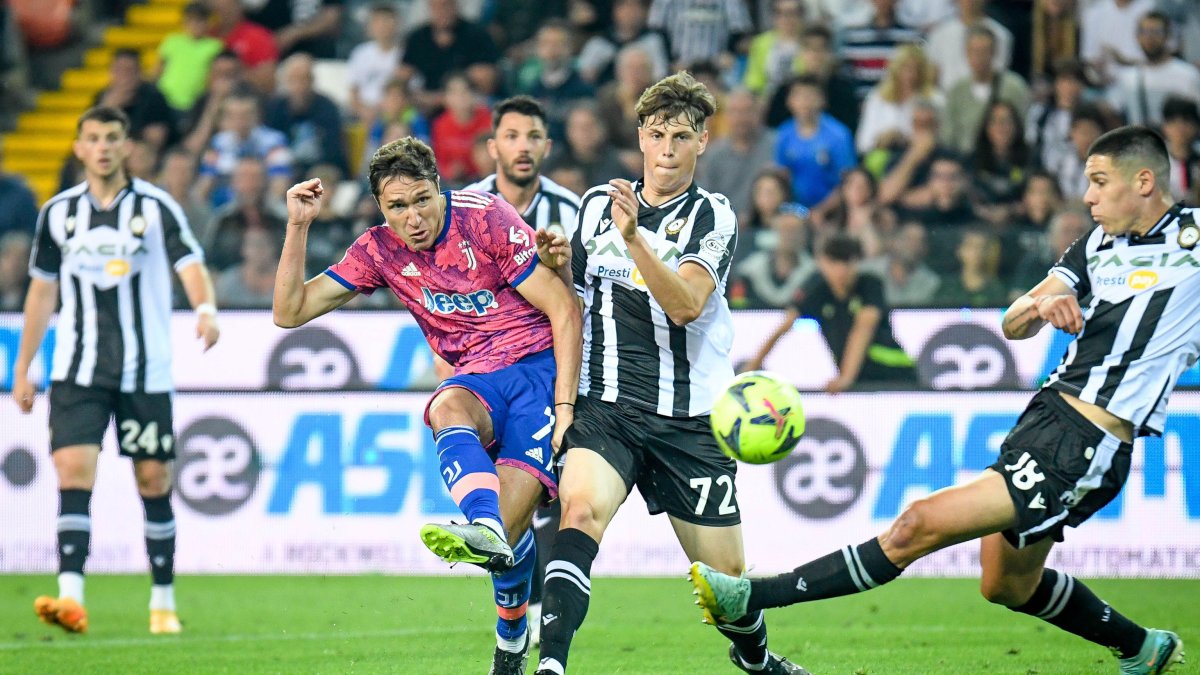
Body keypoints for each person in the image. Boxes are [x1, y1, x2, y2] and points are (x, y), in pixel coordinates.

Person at [692, 125, 1192, 675]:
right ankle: (1144, 647)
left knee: (916, 525)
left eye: (1099, 182)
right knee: (1005, 583)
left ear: (1144, 181)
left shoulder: (1193, 241)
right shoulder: (1096, 247)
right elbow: (1012, 321)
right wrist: (1044, 305)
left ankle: (755, 596)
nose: (1088, 197)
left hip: (1090, 440)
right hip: (1046, 415)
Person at [532, 71, 809, 675]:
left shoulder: (715, 216)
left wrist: (635, 241)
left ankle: (757, 659)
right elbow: (574, 299)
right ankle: (550, 665)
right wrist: (557, 265)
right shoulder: (596, 206)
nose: (665, 149)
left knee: (727, 587)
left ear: (702, 142)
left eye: (680, 137)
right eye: (656, 134)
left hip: (689, 421)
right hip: (606, 406)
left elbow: (686, 305)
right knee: (578, 512)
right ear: (639, 134)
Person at [272, 136, 581, 675]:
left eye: (421, 200)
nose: (413, 217)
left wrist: (567, 405)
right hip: (474, 379)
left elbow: (564, 307)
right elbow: (289, 312)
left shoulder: (486, 219)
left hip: (538, 372)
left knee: (506, 538)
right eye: (397, 207)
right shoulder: (378, 251)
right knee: (445, 408)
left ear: (440, 188)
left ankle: (509, 623)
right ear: (380, 209)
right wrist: (298, 225)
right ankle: (508, 619)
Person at [12, 106, 219, 635]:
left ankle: (163, 601)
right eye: (93, 139)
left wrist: (205, 309)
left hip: (143, 371)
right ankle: (71, 598)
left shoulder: (154, 207)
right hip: (78, 370)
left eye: (112, 138)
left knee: (153, 479)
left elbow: (187, 261)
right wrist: (24, 366)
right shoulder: (58, 214)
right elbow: (41, 290)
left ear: (126, 147)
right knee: (72, 472)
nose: (103, 147)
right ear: (79, 149)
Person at [462, 95, 582, 647]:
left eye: (533, 136)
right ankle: (522, 612)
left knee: (550, 498)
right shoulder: (464, 208)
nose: (523, 147)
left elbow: (584, 299)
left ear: (547, 146)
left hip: (552, 370)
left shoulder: (573, 212)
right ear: (493, 147)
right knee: (511, 503)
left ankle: (535, 617)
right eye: (511, 136)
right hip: (485, 374)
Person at [743, 232, 915, 391]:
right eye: (834, 262)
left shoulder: (870, 285)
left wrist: (846, 378)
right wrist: (750, 370)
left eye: (847, 262)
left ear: (856, 262)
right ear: (821, 262)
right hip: (859, 382)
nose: (841, 270)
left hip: (895, 375)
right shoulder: (818, 290)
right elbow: (785, 325)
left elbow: (863, 329)